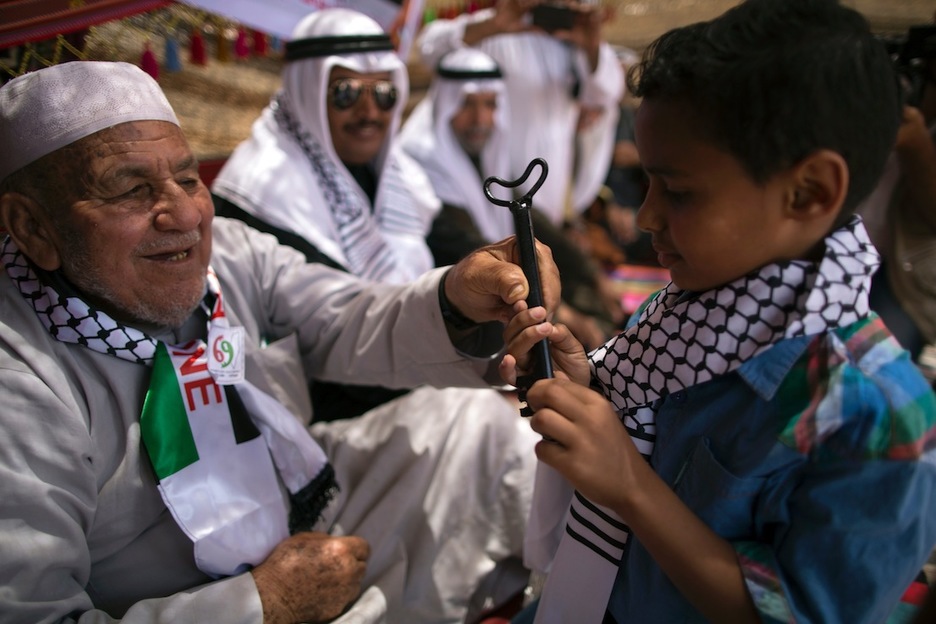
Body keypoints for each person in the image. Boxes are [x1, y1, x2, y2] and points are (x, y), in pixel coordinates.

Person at [0, 60, 561, 624]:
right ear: (32, 228)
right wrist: (260, 603)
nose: (185, 214)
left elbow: (348, 317)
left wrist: (457, 297)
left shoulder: (234, 254)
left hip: (306, 497)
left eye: (189, 179)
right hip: (195, 601)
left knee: (476, 424)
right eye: (131, 190)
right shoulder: (18, 384)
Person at [500, 1, 936, 622]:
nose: (647, 216)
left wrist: (629, 486)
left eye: (676, 191)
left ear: (808, 191)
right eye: (647, 184)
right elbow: (653, 420)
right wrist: (593, 386)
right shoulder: (691, 308)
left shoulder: (878, 418)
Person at [212, 8, 454, 420]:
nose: (369, 113)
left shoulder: (391, 168)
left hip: (406, 371)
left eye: (383, 94)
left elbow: (450, 241)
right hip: (326, 409)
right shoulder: (263, 190)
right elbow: (323, 335)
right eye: (346, 93)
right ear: (308, 90)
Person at [398, 47, 620, 350]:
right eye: (467, 104)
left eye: (490, 104)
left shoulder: (481, 147)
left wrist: (593, 275)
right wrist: (559, 312)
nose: (481, 118)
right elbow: (466, 246)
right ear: (446, 102)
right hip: (457, 301)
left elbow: (526, 215)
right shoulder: (423, 158)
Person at [416, 0, 624, 228]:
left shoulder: (572, 39)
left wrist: (591, 45)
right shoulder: (496, 27)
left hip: (553, 183)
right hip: (501, 183)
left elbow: (604, 96)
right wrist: (493, 24)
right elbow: (429, 49)